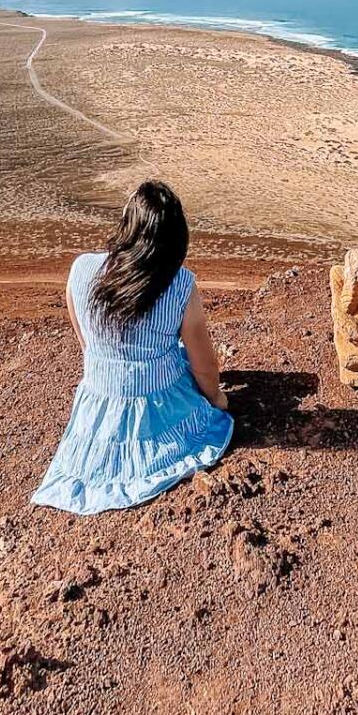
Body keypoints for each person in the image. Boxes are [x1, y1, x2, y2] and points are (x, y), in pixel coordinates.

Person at [31, 180, 233, 514]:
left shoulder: (81, 269)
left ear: (126, 226)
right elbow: (204, 367)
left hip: (97, 404)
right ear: (176, 238)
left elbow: (87, 342)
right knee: (193, 380)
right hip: (156, 412)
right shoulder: (180, 284)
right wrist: (216, 399)